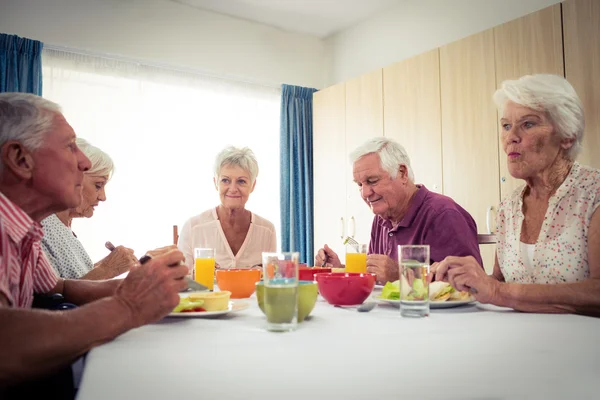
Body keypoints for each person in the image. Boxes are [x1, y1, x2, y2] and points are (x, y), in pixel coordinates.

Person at [0, 93, 188, 392]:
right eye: (70, 146)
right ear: (20, 159)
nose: (84, 161)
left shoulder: (26, 230)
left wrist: (135, 285)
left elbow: (61, 287)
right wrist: (128, 305)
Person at [432, 74, 600, 316]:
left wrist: (497, 292)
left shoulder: (593, 192)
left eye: (528, 124)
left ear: (567, 136)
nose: (511, 137)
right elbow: (499, 283)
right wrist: (461, 283)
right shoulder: (508, 208)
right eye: (506, 126)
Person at [315, 137, 482, 284]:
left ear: (402, 173)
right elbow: (376, 276)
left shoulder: (442, 214)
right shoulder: (381, 218)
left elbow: (471, 285)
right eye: (360, 185)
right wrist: (340, 269)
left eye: (372, 181)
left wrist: (400, 274)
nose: (365, 193)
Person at [40, 137, 137, 280]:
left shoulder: (63, 227)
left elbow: (72, 281)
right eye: (98, 185)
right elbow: (54, 296)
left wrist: (106, 265)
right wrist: (108, 269)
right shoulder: (41, 226)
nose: (103, 197)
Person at [178, 146, 276, 270]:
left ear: (253, 185)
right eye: (225, 180)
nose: (233, 189)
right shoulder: (193, 227)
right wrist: (196, 272)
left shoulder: (267, 230)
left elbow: (271, 279)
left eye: (241, 181)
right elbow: (181, 281)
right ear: (216, 183)